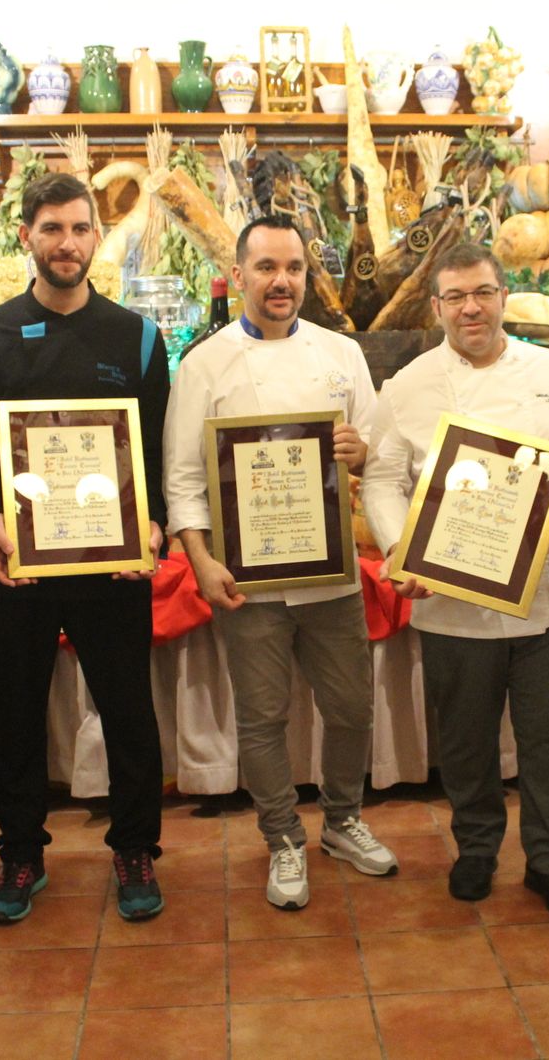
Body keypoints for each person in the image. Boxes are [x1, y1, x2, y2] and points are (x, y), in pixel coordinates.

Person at [0, 172, 170, 924]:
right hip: (16, 567)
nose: (66, 243)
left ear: (96, 240)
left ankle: (135, 849)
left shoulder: (136, 338)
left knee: (130, 709)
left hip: (111, 565)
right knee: (14, 714)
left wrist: (155, 524)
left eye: (79, 229)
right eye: (51, 229)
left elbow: (157, 457)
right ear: (26, 239)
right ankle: (20, 854)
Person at [365, 243, 549, 921]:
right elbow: (381, 481)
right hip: (453, 609)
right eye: (455, 297)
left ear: (503, 296)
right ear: (436, 307)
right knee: (466, 742)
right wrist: (399, 548)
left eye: (483, 292)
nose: (471, 307)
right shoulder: (406, 386)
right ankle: (475, 849)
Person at [164, 214, 397, 911]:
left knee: (351, 707)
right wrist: (201, 562)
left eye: (293, 269)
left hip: (331, 574)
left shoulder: (341, 353)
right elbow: (183, 479)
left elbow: (380, 454)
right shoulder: (204, 363)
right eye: (266, 268)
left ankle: (344, 820)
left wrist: (362, 453)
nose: (281, 282)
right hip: (249, 577)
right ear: (239, 276)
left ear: (307, 277)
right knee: (263, 717)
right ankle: (284, 838)